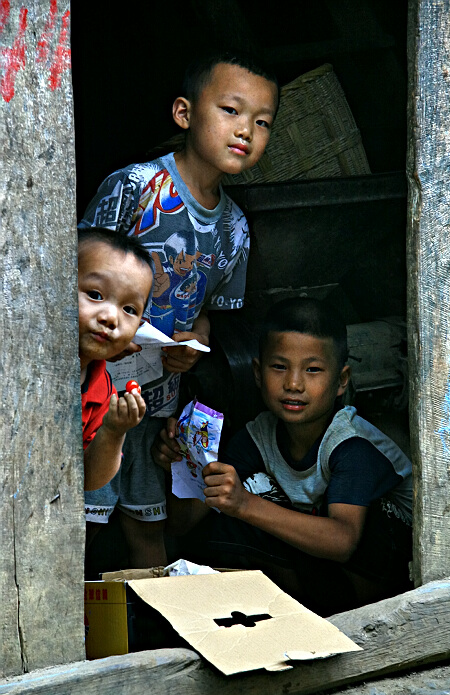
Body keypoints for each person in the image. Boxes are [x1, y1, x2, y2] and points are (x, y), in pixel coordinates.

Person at [79, 51, 280, 570]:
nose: (246, 131)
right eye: (231, 111)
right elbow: (76, 278)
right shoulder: (136, 189)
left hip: (156, 401)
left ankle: (149, 635)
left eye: (262, 122)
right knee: (77, 526)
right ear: (184, 114)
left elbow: (211, 309)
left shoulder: (235, 228)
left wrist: (198, 341)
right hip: (91, 391)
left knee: (149, 530)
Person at [154, 298, 413, 616]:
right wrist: (181, 466)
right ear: (257, 373)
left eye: (313, 370)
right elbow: (183, 524)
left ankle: (338, 613)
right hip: (320, 575)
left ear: (341, 381)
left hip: (389, 584)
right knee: (223, 523)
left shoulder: (353, 446)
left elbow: (344, 541)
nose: (293, 384)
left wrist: (244, 504)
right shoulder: (258, 435)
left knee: (255, 503)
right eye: (279, 367)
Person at [78, 227, 154, 492]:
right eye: (95, 295)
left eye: (129, 309)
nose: (110, 317)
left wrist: (113, 431)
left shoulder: (104, 390)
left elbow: (89, 481)